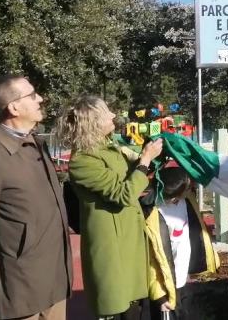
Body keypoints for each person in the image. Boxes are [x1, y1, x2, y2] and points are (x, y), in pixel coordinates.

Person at [0, 75, 72, 320]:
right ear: (13, 107)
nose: (40, 99)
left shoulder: (35, 144)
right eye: (32, 95)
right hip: (20, 286)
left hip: (54, 278)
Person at [58, 95, 163, 320]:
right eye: (107, 112)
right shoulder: (83, 160)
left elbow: (136, 174)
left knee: (135, 306)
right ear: (94, 122)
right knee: (117, 307)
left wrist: (153, 153)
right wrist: (144, 161)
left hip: (128, 238)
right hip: (111, 245)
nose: (114, 115)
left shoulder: (109, 147)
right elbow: (123, 193)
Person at [143, 166, 219, 320]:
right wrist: (159, 296)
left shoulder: (187, 200)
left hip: (182, 278)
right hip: (164, 286)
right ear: (174, 196)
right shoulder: (152, 214)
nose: (192, 186)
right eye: (189, 186)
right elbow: (150, 260)